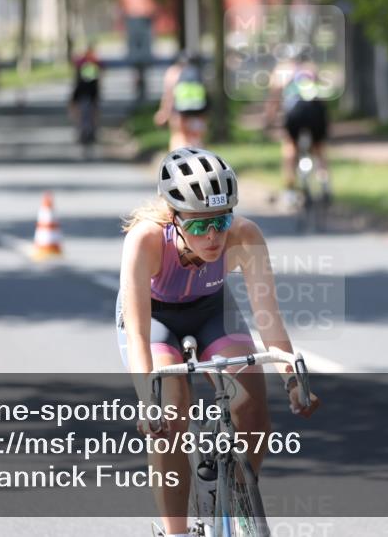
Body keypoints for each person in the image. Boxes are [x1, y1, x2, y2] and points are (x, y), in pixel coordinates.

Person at [117, 147, 320, 537]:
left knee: (253, 406)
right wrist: (147, 402)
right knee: (171, 415)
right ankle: (175, 531)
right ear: (174, 219)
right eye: (197, 226)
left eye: (221, 220)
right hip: (155, 318)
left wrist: (292, 381)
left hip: (211, 310)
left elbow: (269, 320)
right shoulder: (145, 241)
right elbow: (138, 334)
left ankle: (241, 500)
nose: (212, 237)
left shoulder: (245, 236)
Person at [266, 50, 331, 207]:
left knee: (290, 148)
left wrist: (269, 120)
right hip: (316, 110)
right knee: (319, 149)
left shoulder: (281, 70)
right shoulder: (312, 68)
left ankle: (289, 192)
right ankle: (325, 185)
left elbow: (274, 98)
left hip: (295, 111)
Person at [154, 53, 208, 150]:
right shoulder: (198, 71)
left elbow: (169, 95)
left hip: (180, 109)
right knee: (196, 136)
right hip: (199, 109)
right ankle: (198, 155)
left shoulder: (173, 72)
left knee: (179, 135)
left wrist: (164, 113)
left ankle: (179, 158)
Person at [68, 43, 101, 145]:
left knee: (87, 114)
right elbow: (87, 82)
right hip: (86, 93)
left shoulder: (89, 63)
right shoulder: (90, 63)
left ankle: (88, 132)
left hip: (86, 93)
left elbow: (85, 82)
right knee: (87, 113)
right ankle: (86, 132)